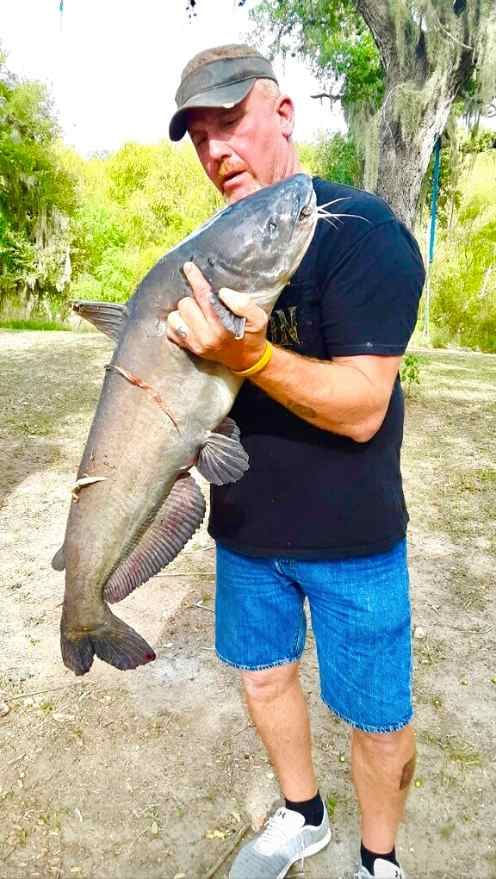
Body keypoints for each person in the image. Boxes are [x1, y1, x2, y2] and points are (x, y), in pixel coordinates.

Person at [166, 44, 425, 879]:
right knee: (264, 679)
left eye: (230, 122)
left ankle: (378, 861)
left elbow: (361, 408)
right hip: (246, 528)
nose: (217, 151)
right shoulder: (203, 251)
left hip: (354, 537)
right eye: (201, 136)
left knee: (377, 717)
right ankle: (301, 814)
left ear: (283, 114)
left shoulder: (365, 235)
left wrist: (248, 357)